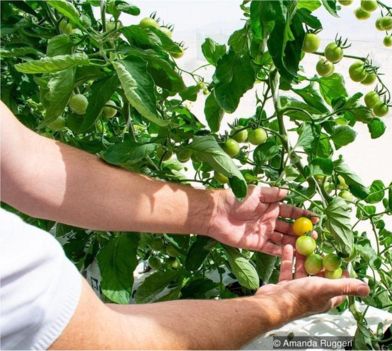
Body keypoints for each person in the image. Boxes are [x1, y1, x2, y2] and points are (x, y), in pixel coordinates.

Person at [0, 102, 370, 349]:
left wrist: (210, 212)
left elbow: (27, 164)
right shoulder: (14, 264)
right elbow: (107, 342)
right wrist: (279, 307)